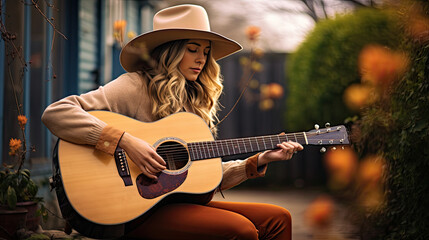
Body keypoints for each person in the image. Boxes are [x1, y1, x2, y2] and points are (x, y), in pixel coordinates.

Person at [42, 4, 303, 240]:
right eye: (192, 49)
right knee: (241, 231)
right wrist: (125, 141)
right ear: (171, 51)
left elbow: (200, 177)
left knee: (278, 219)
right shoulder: (134, 86)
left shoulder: (194, 102)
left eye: (205, 51)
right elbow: (56, 113)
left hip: (173, 204)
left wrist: (258, 161)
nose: (201, 58)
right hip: (129, 214)